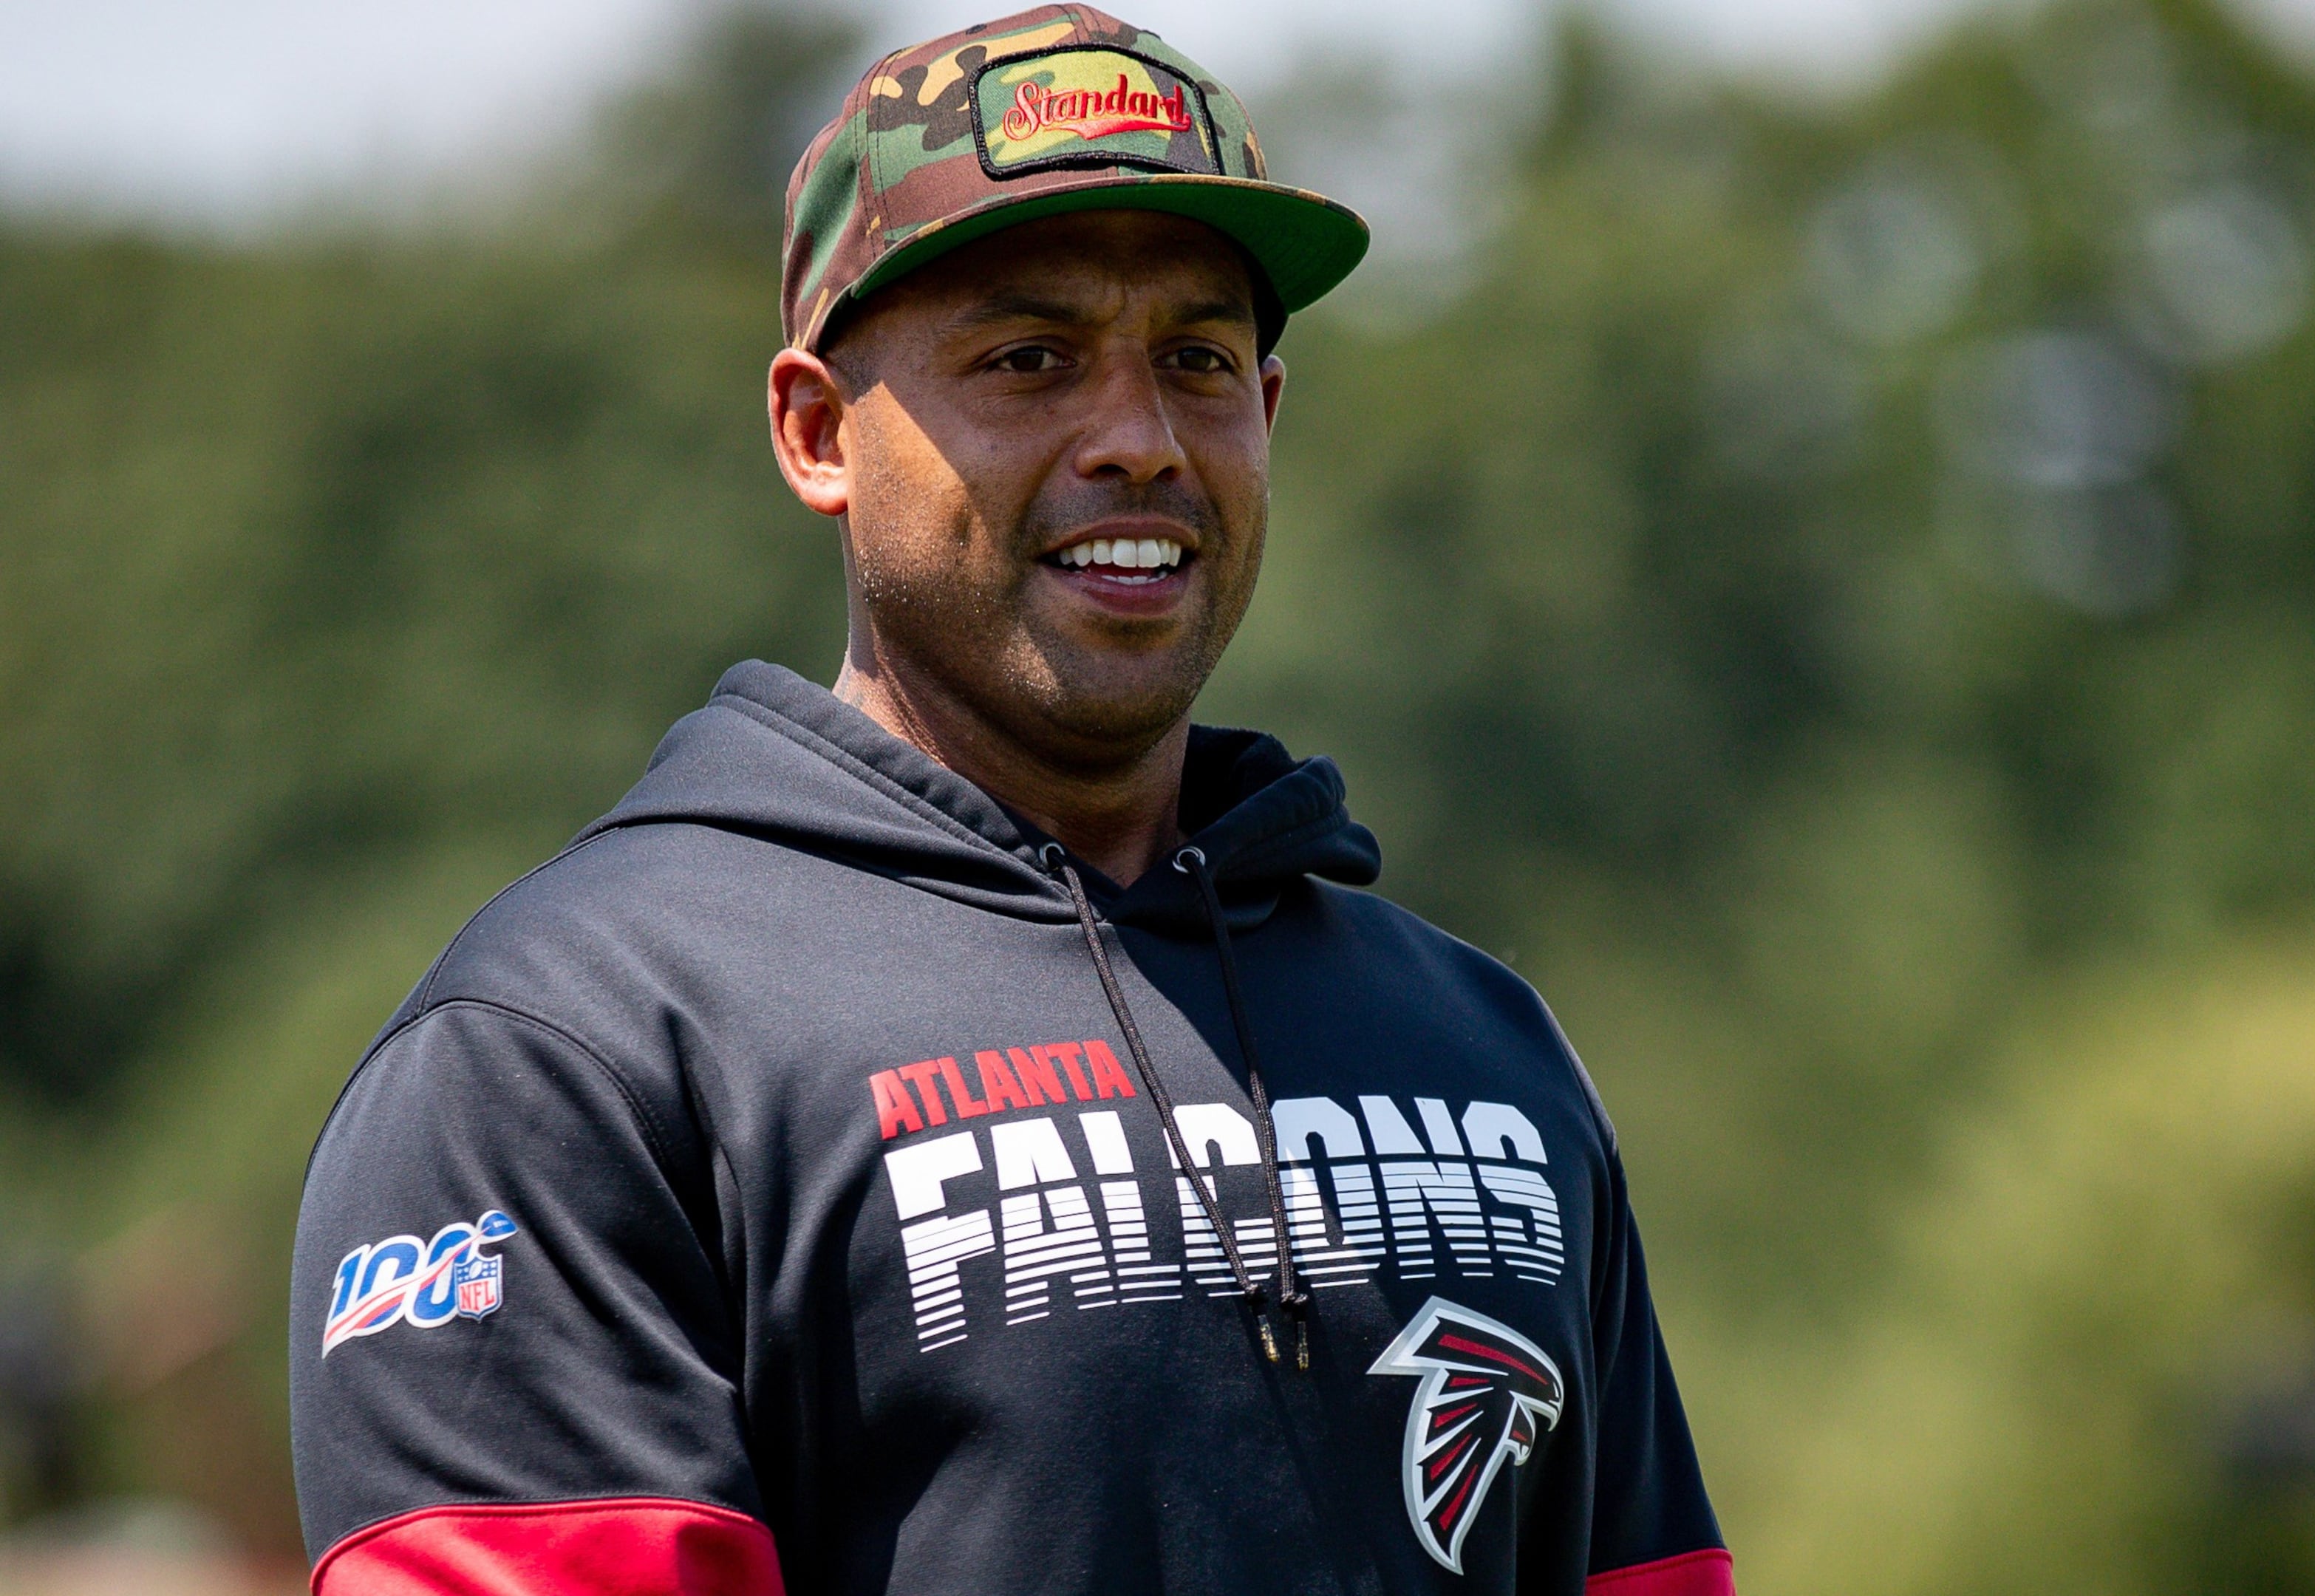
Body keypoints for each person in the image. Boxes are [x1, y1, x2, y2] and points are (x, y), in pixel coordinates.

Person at [288, 9, 1731, 1594]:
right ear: (818, 431)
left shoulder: (1485, 1046)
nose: (1138, 441)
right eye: (1029, 359)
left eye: (1197, 361)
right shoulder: (571, 1056)